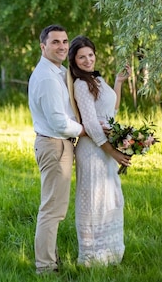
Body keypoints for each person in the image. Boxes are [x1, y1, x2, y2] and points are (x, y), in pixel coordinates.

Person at [66, 35, 131, 266]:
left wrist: (118, 83)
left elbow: (111, 111)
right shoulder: (80, 85)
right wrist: (114, 152)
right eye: (81, 57)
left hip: (105, 146)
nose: (87, 60)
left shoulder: (96, 79)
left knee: (109, 197)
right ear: (73, 60)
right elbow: (92, 124)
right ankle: (92, 257)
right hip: (93, 149)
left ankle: (111, 253)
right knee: (94, 199)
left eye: (90, 55)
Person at [28, 24, 87, 274]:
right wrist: (84, 130)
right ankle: (45, 267)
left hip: (57, 145)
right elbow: (58, 122)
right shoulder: (46, 78)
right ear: (43, 46)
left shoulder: (58, 72)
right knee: (52, 210)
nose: (62, 46)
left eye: (64, 41)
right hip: (54, 145)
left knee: (54, 208)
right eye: (55, 42)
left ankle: (49, 260)